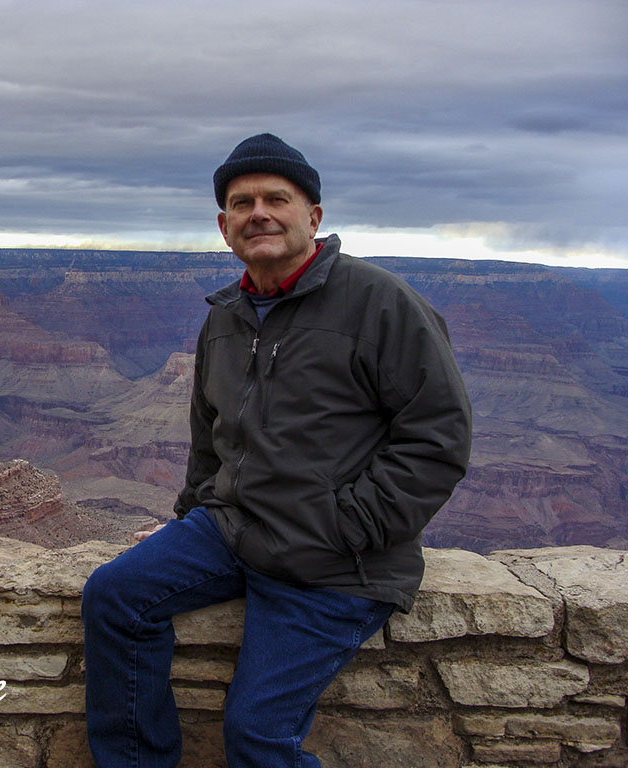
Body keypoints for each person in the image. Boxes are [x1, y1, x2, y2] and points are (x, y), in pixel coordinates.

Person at [81, 133, 473, 767]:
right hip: (235, 531)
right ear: (224, 226)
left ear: (312, 217)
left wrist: (347, 528)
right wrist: (192, 517)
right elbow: (209, 436)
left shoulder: (380, 303)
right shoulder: (227, 316)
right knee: (115, 597)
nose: (258, 213)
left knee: (257, 735)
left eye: (276, 199)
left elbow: (438, 436)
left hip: (335, 563)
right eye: (242, 203)